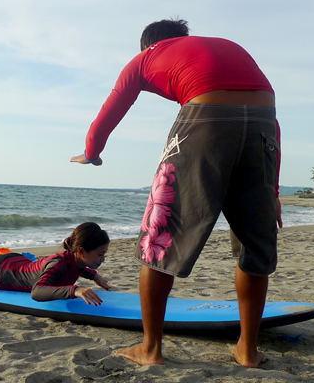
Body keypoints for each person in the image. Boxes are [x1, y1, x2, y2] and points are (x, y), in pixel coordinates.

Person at [71, 19, 282, 367]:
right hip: (263, 123)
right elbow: (271, 124)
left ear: (148, 45)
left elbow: (112, 108)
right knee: (255, 247)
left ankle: (151, 349)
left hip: (205, 117)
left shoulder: (147, 56)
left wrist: (91, 154)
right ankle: (247, 350)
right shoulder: (224, 46)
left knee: (160, 237)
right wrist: (272, 190)